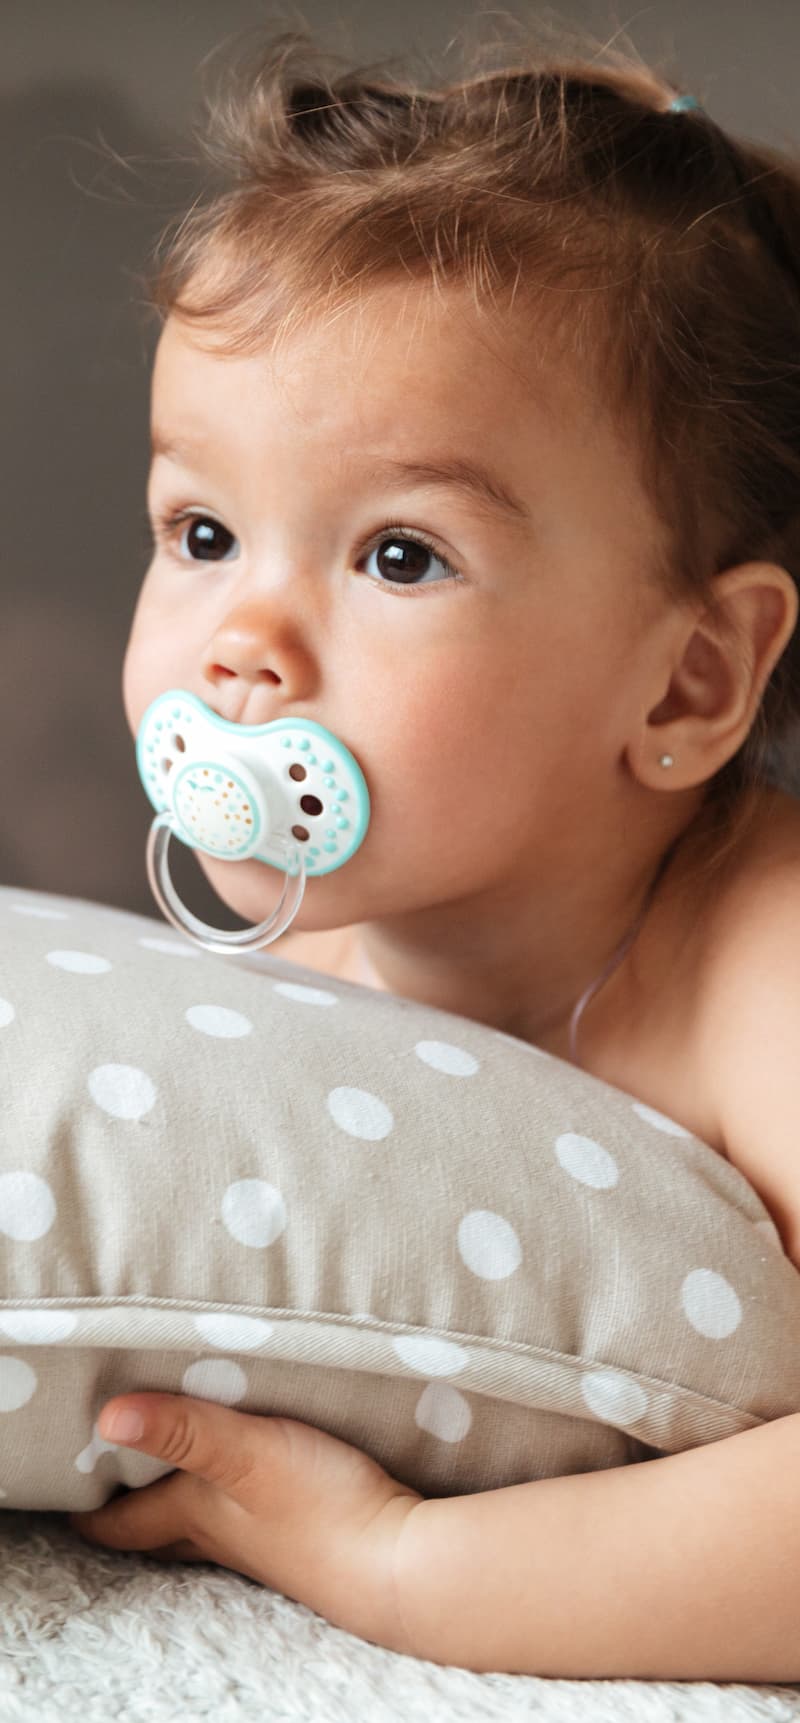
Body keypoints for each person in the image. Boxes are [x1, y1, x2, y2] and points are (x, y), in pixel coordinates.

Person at [71, 25, 800, 1681]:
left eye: (402, 553)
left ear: (686, 681)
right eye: (200, 531)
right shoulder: (292, 984)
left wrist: (407, 1561)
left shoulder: (764, 970)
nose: (238, 640)